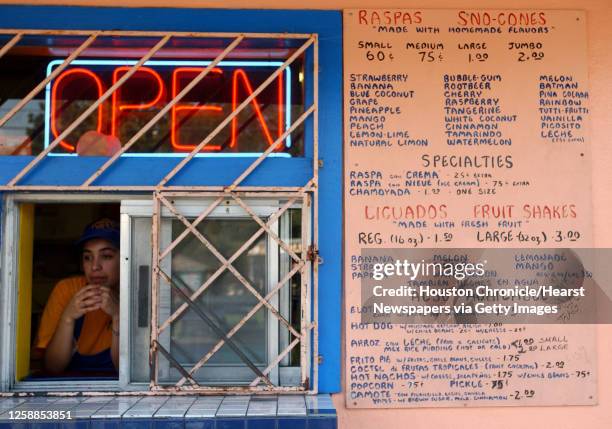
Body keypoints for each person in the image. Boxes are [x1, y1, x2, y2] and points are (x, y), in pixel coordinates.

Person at [35, 218, 120, 375]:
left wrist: (117, 316)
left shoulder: (140, 292)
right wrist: (68, 317)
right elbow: (52, 367)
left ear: (125, 258)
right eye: (88, 257)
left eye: (106, 256)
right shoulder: (68, 289)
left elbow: (126, 373)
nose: (95, 267)